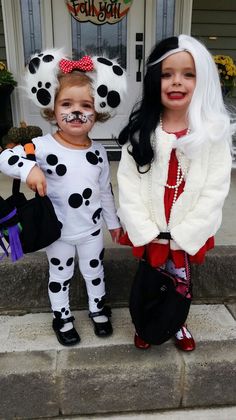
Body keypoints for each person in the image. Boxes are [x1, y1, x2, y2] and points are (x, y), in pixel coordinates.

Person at [0, 49, 127, 346]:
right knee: (61, 274)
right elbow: (5, 157)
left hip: (91, 230)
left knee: (94, 270)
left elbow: (105, 191)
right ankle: (63, 315)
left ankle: (98, 309)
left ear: (98, 111)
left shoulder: (97, 152)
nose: (76, 112)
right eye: (67, 104)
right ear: (53, 110)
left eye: (86, 105)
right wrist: (30, 168)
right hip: (57, 233)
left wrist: (114, 223)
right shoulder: (42, 146)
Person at [117, 34, 233, 352]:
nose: (176, 82)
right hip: (152, 229)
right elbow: (128, 183)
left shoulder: (211, 135)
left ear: (203, 80)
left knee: (180, 283)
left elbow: (215, 188)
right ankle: (145, 322)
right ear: (155, 80)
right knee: (149, 282)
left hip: (184, 229)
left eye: (188, 74)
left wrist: (187, 231)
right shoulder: (143, 132)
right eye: (167, 74)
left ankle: (176, 322)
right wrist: (144, 227)